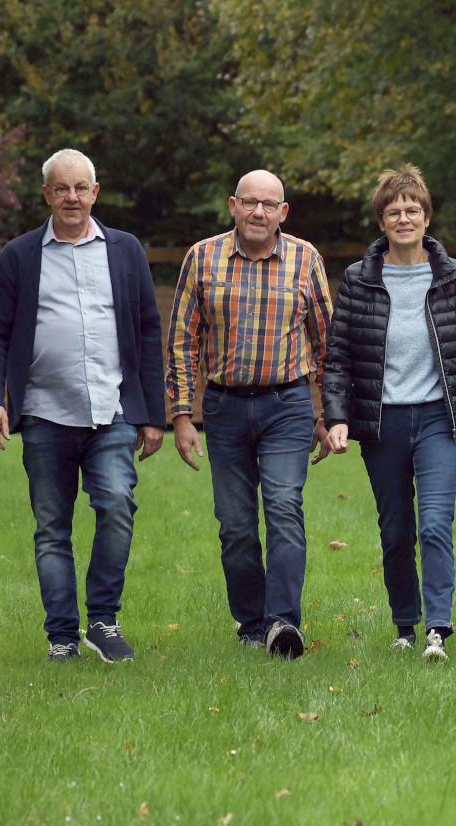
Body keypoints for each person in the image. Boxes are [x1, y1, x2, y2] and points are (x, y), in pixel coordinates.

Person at [0, 148, 165, 662]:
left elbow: (148, 329)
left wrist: (152, 413)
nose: (72, 197)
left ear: (95, 192)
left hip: (111, 408)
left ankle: (103, 621)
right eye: (61, 188)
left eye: (80, 187)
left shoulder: (125, 249)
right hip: (44, 411)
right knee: (51, 526)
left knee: (116, 505)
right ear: (45, 195)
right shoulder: (20, 255)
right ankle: (62, 635)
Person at [320, 165, 456, 662]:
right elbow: (338, 356)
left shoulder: (454, 277)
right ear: (382, 221)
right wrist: (336, 415)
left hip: (439, 418)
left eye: (413, 209)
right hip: (382, 422)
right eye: (394, 211)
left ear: (427, 216)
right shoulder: (358, 280)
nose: (404, 217)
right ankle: (404, 626)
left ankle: (437, 628)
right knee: (395, 530)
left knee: (435, 523)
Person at [166, 169, 332, 658]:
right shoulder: (203, 257)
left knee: (284, 508)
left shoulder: (306, 259)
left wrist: (329, 413)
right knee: (235, 525)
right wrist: (180, 415)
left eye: (269, 204)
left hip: (289, 405)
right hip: (223, 407)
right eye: (250, 203)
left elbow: (327, 344)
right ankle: (251, 622)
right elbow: (181, 342)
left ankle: (283, 623)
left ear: (284, 212)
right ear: (233, 206)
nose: (259, 212)